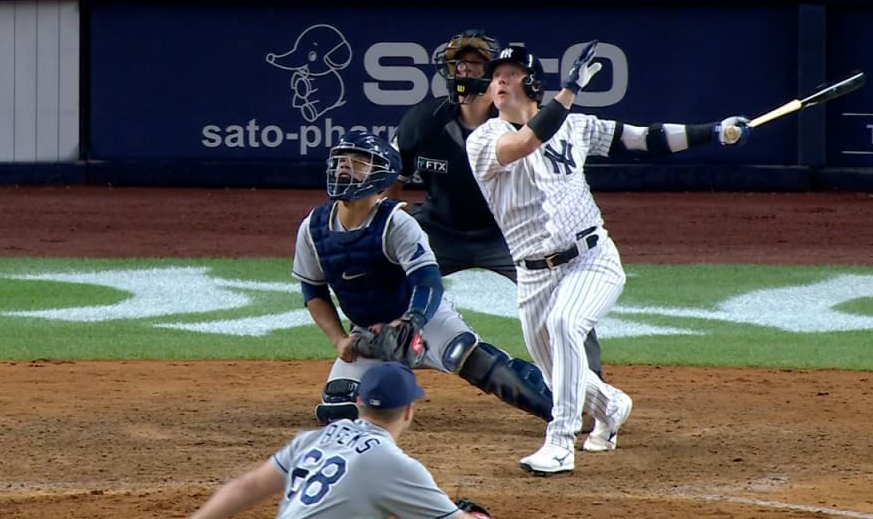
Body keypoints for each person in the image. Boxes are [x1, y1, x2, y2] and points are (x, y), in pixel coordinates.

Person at [465, 40, 752, 475]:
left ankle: (560, 444)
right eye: (496, 75)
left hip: (590, 257)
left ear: (533, 82)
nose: (499, 80)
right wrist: (568, 92)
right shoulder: (484, 139)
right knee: (553, 368)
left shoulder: (576, 127)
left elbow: (643, 139)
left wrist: (714, 131)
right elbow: (522, 144)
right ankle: (612, 405)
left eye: (511, 72)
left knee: (566, 326)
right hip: (533, 276)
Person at [292, 129, 554, 426]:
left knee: (467, 357)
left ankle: (563, 406)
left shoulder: (397, 223)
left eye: (358, 162)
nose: (344, 167)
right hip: (369, 334)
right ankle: (394, 394)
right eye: (341, 160)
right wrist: (339, 340)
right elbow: (313, 291)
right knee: (338, 410)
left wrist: (412, 322)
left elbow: (428, 281)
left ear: (381, 176)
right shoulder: (313, 228)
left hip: (423, 320)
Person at [387, 29, 607, 380]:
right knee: (386, 273)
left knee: (561, 288)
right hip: (440, 228)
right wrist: (394, 217)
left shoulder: (511, 122)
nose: (464, 72)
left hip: (506, 235)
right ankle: (374, 367)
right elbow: (390, 178)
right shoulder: (423, 121)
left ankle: (589, 378)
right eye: (458, 64)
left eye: (476, 65)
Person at [187, 361, 492, 519]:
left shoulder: (314, 438)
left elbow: (246, 487)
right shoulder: (393, 465)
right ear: (409, 409)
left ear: (358, 400)